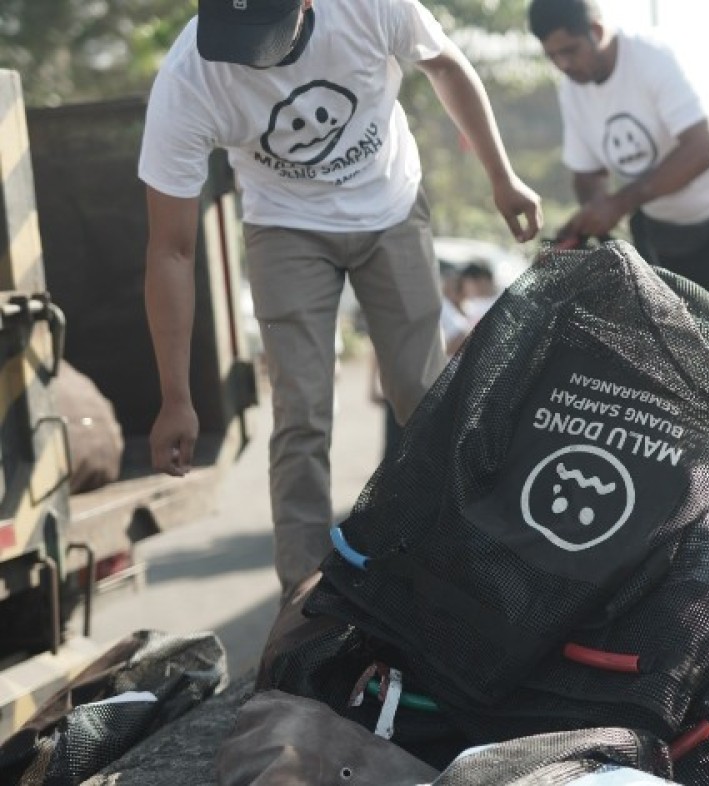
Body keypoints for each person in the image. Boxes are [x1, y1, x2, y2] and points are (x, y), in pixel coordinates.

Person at [140, 0, 542, 598]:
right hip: (284, 226)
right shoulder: (190, 76)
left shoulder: (368, 7)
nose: (254, 59)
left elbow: (446, 66)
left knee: (423, 394)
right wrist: (175, 397)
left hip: (390, 206)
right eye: (239, 38)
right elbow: (171, 249)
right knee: (301, 411)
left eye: (267, 38)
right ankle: (302, 594)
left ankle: (465, 558)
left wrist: (500, 175)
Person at [527, 0, 709, 371]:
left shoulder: (653, 57)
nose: (564, 65)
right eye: (553, 55)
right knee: (686, 352)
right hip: (666, 223)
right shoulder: (573, 88)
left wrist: (617, 203)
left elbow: (703, 146)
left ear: (597, 31)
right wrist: (593, 213)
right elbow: (588, 173)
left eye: (570, 51)